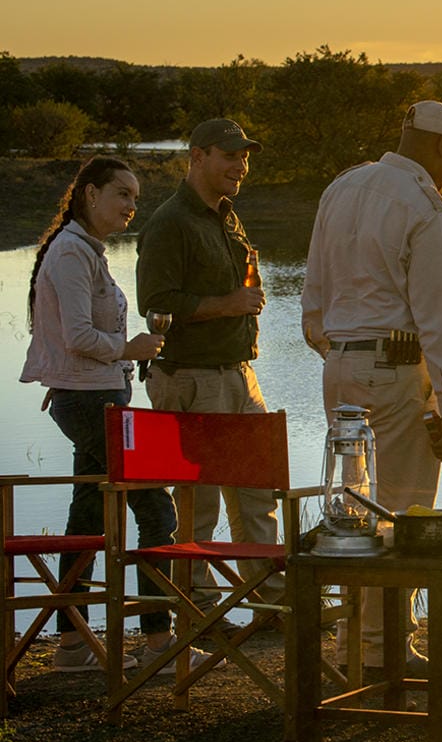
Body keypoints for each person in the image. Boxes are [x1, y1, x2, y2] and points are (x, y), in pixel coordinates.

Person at [300, 100, 442, 674]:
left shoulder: (342, 188)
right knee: (404, 513)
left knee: (353, 510)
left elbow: (312, 305)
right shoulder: (426, 205)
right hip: (392, 371)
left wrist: (344, 348)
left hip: (340, 366)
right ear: (441, 146)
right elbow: (439, 313)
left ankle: (357, 645)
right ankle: (384, 650)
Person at [20, 157, 176, 669]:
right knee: (155, 509)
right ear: (90, 194)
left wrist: (122, 357)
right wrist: (130, 348)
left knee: (87, 515)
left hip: (96, 398)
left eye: (135, 197)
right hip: (92, 403)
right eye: (122, 194)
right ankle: (160, 641)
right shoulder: (70, 253)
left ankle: (70, 645)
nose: (132, 206)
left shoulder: (86, 250)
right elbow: (78, 337)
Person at [135, 118, 279, 567]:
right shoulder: (169, 222)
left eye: (245, 157)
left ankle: (267, 602)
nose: (241, 165)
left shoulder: (226, 215)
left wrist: (243, 300)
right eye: (231, 156)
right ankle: (196, 611)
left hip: (239, 373)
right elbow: (156, 303)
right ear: (198, 157)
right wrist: (228, 303)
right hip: (193, 377)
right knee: (200, 505)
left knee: (259, 492)